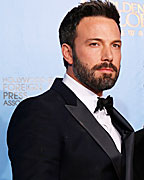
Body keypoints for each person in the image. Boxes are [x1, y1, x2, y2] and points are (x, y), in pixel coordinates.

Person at [7, 1, 134, 180]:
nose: (108, 56)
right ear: (68, 53)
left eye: (115, 45)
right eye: (95, 44)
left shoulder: (118, 120)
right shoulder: (39, 113)